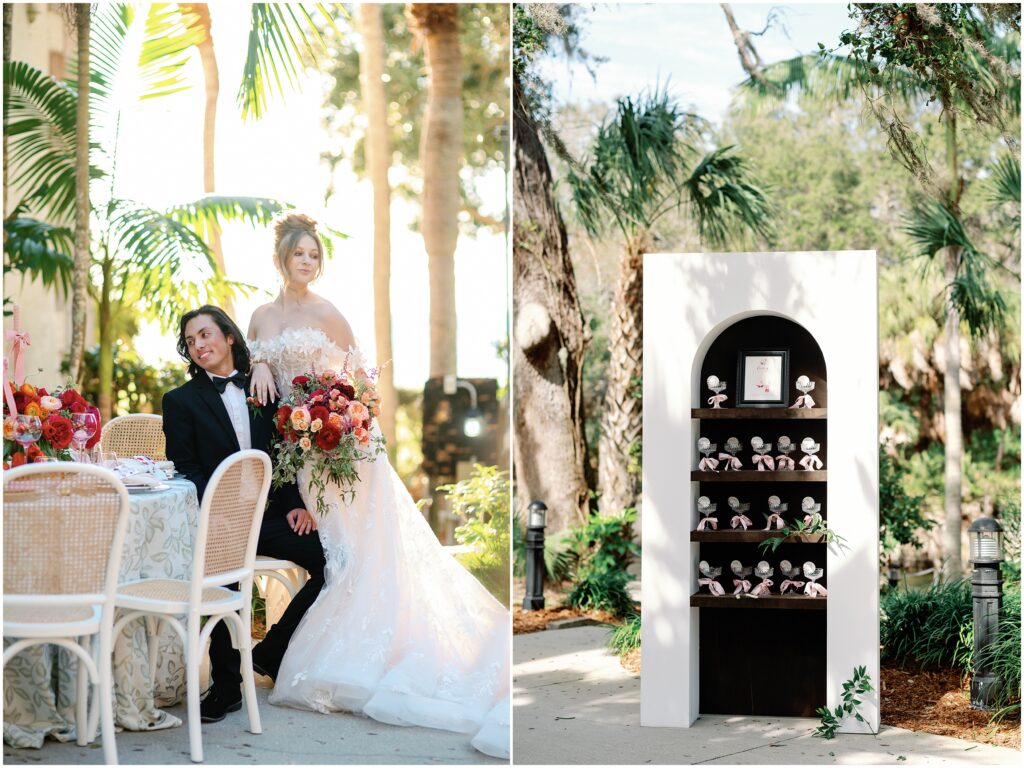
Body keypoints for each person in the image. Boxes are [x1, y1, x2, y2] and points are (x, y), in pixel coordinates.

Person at [245, 213, 510, 759]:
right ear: (280, 260)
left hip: (346, 451)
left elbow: (362, 383)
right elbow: (254, 375)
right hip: (299, 455)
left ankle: (361, 656)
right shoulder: (261, 317)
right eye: (300, 255)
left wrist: (348, 423)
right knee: (338, 556)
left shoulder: (329, 313)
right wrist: (260, 369)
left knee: (358, 553)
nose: (308, 264)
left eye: (315, 257)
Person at [162, 305, 327, 723]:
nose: (199, 345)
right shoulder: (179, 401)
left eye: (205, 335)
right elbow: (184, 467)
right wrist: (217, 511)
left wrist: (295, 506)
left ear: (229, 336)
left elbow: (284, 456)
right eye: (191, 340)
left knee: (334, 562)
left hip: (272, 514)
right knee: (220, 583)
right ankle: (226, 687)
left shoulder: (263, 387)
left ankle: (269, 653)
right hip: (221, 519)